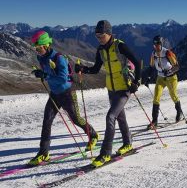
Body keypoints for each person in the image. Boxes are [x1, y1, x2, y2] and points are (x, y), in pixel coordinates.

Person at [75, 20, 141, 167]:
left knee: (110, 116)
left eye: (102, 35)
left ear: (109, 33)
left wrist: (137, 82)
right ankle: (128, 143)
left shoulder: (120, 46)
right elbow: (96, 69)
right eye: (97, 36)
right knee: (120, 118)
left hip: (125, 88)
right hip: (111, 89)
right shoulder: (100, 49)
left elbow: (137, 61)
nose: (99, 38)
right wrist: (83, 69)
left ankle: (105, 153)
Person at [28, 30, 99, 166]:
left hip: (67, 92)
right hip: (54, 94)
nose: (37, 50)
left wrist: (45, 76)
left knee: (76, 119)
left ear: (46, 45)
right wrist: (41, 73)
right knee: (47, 121)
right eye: (36, 48)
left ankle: (94, 135)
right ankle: (43, 153)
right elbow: (48, 73)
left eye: (39, 48)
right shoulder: (41, 58)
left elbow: (62, 78)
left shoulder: (59, 58)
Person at [144, 35, 183, 129]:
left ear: (161, 44)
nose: (156, 46)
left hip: (171, 77)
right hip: (160, 77)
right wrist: (148, 78)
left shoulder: (167, 53)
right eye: (154, 45)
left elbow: (177, 66)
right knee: (156, 97)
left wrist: (169, 71)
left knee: (173, 95)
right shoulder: (153, 54)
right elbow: (151, 67)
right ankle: (154, 121)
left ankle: (179, 112)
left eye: (158, 44)